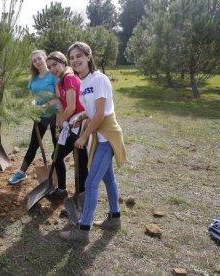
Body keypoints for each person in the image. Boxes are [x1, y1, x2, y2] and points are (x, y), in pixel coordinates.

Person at [60, 42, 127, 242]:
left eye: (79, 55)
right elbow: (90, 112)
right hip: (99, 137)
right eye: (72, 57)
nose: (75, 60)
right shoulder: (84, 82)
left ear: (89, 56)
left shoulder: (99, 79)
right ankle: (114, 218)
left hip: (107, 138)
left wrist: (82, 136)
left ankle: (83, 230)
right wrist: (80, 116)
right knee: (108, 179)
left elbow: (99, 115)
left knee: (90, 184)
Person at [8, 49, 59, 185]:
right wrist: (32, 106)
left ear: (45, 58)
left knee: (56, 145)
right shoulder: (33, 79)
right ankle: (21, 172)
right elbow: (32, 98)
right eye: (34, 60)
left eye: (39, 58)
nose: (37, 62)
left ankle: (58, 175)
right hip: (39, 117)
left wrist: (44, 106)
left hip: (55, 116)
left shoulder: (54, 76)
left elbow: (58, 98)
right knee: (33, 145)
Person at [45, 51, 88, 201]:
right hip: (71, 125)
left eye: (55, 64)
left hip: (80, 125)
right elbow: (61, 106)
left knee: (81, 164)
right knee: (57, 156)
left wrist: (61, 124)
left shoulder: (69, 78)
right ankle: (63, 190)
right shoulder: (61, 80)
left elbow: (70, 108)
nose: (52, 69)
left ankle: (81, 197)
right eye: (49, 67)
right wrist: (59, 126)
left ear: (64, 63)